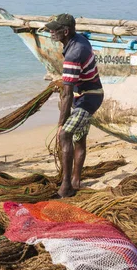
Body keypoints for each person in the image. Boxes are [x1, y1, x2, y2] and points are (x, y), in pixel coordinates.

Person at [45, 13, 104, 198]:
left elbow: (67, 94)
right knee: (79, 138)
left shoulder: (73, 53)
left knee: (65, 135)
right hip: (88, 94)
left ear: (66, 31)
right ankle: (76, 181)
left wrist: (60, 124)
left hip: (88, 99)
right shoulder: (80, 40)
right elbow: (72, 84)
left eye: (55, 30)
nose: (51, 32)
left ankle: (66, 186)